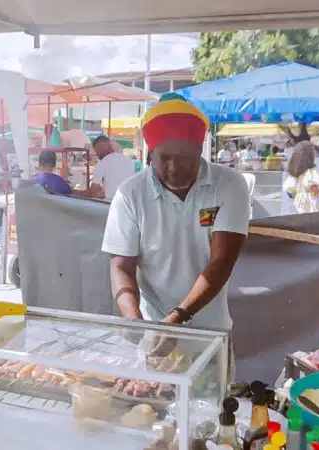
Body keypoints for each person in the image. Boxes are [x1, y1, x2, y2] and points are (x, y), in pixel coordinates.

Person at [102, 94, 249, 378]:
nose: (173, 167)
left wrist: (178, 318)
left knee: (212, 414)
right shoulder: (131, 194)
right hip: (154, 338)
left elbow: (221, 263)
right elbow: (121, 265)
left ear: (200, 151)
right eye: (164, 158)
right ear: (150, 154)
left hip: (210, 335)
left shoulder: (229, 185)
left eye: (184, 158)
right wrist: (136, 323)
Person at [283, 141, 319, 214]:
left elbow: (289, 192)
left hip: (293, 210)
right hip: (307, 212)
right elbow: (315, 191)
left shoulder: (292, 173)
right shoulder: (311, 173)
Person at [91, 136, 136, 200]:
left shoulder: (102, 163)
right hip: (128, 202)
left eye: (96, 152)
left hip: (110, 204)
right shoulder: (129, 161)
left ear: (98, 150)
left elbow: (93, 192)